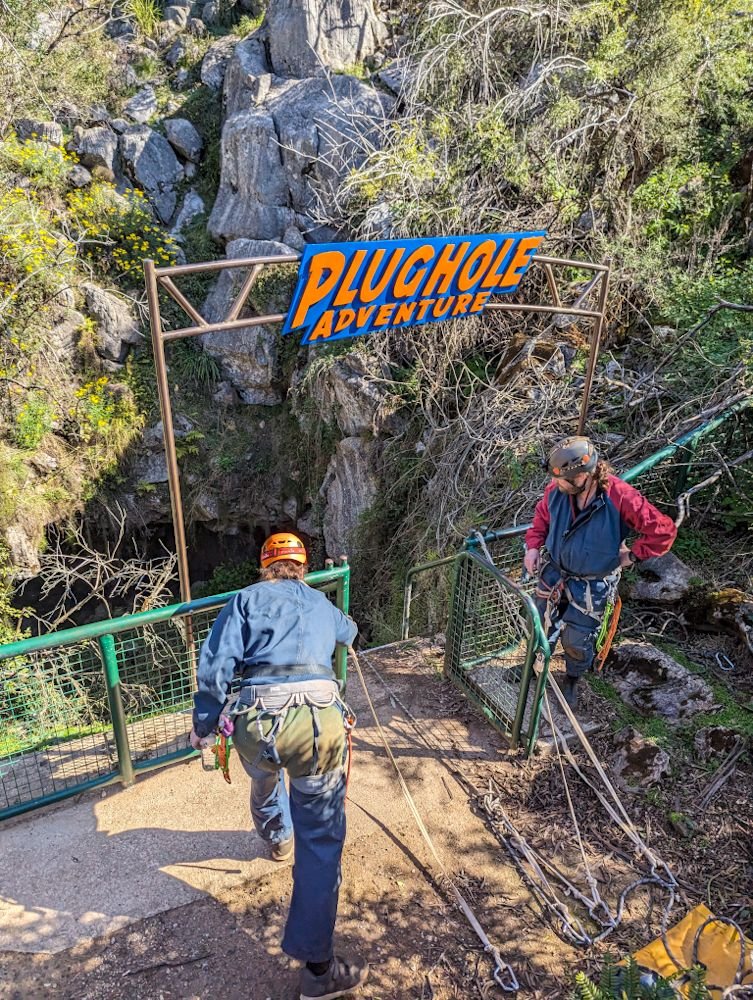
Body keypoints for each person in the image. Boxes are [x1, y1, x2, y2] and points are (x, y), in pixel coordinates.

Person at [189, 532, 368, 1000]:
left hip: (256, 726)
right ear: (303, 567)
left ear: (266, 568)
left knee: (264, 774)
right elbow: (349, 631)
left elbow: (216, 666)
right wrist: (335, 626)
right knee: (322, 840)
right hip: (316, 728)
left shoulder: (244, 600)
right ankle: (317, 971)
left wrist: (204, 724)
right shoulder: (320, 602)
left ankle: (277, 838)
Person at [524, 437, 677, 711]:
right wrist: (533, 547)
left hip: (592, 584)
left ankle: (572, 679)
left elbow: (663, 531)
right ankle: (530, 667)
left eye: (562, 481)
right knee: (538, 623)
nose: (556, 486)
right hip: (556, 571)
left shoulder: (620, 497)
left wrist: (632, 556)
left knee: (578, 639)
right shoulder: (557, 492)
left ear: (582, 475)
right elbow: (542, 518)